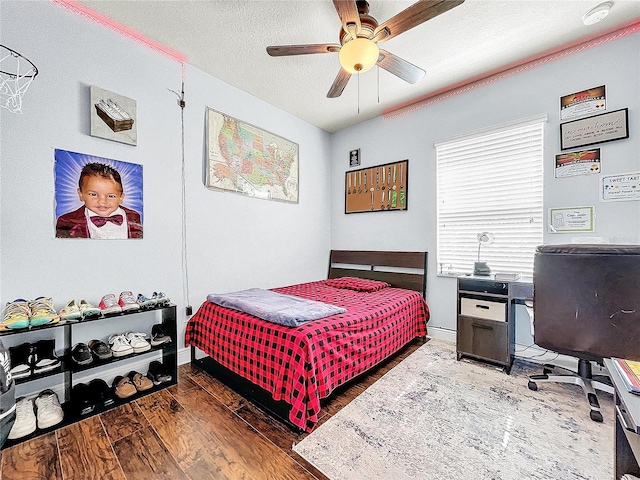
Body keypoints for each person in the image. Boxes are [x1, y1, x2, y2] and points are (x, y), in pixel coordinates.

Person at [56, 162, 142, 239]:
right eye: (93, 194)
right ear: (81, 194)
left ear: (121, 198)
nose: (102, 202)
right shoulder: (66, 222)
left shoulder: (133, 217)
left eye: (111, 196)